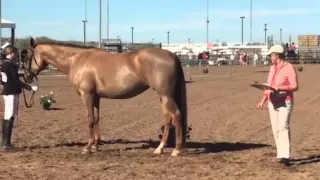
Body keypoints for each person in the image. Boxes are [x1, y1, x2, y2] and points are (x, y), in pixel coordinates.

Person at [257, 44, 299, 166]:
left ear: (277, 55)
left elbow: (295, 86)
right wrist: (263, 100)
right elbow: (269, 86)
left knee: (283, 127)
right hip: (272, 102)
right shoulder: (272, 68)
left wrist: (280, 87)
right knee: (276, 129)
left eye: (271, 55)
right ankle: (280, 154)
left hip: (285, 101)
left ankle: (285, 155)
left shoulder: (289, 68)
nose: (270, 57)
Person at [0, 45, 38, 151]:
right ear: (11, 52)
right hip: (11, 92)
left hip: (9, 91)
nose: (17, 55)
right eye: (16, 53)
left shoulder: (5, 64)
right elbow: (15, 80)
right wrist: (28, 87)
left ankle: (5, 143)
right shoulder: (10, 65)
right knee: (9, 117)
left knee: (8, 116)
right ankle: (6, 144)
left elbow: (3, 81)